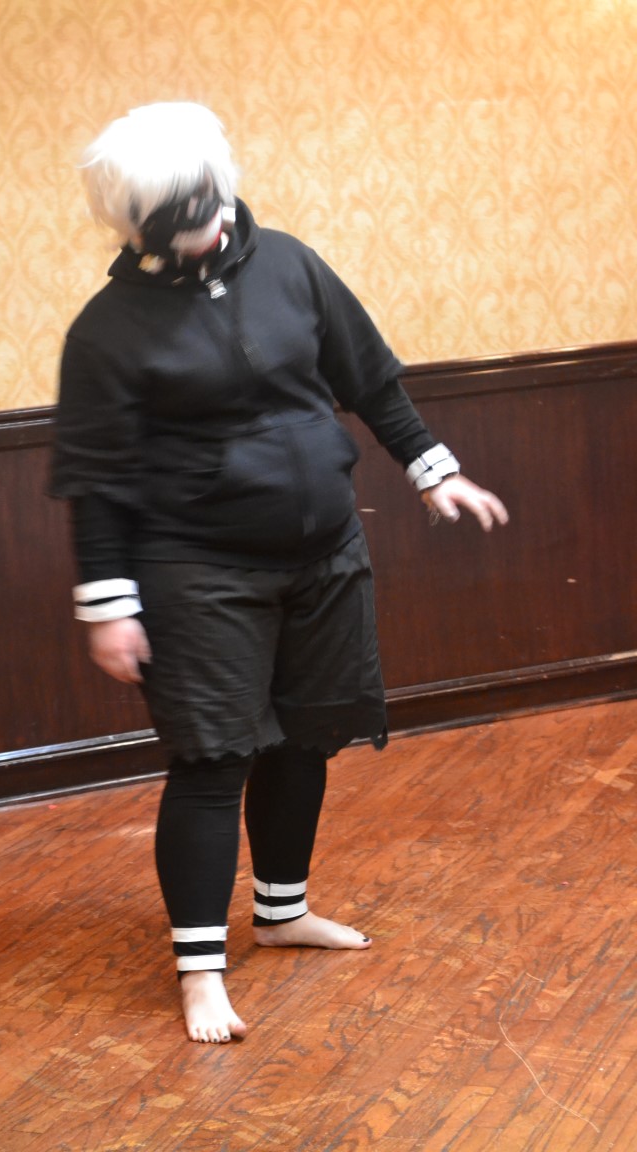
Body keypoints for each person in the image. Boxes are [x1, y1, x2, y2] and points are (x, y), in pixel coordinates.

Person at [49, 101, 508, 1045]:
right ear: (134, 224)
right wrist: (109, 606)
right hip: (196, 569)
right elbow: (95, 481)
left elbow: (367, 376)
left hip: (325, 553)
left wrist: (435, 471)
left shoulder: (291, 264)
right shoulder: (107, 330)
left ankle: (283, 911)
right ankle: (200, 971)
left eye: (212, 199)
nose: (211, 223)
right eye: (182, 217)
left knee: (305, 739)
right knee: (214, 759)